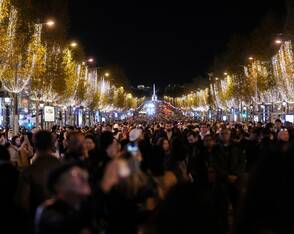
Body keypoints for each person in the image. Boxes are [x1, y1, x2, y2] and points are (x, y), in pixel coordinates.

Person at [35, 163, 93, 234]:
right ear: (58, 185)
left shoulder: (83, 205)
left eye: (84, 173)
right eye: (75, 174)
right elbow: (69, 225)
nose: (84, 177)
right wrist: (104, 187)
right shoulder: (48, 211)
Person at [17, 130, 61, 223]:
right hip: (59, 217)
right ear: (52, 143)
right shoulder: (61, 166)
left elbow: (23, 202)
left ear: (34, 143)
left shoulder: (29, 171)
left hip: (36, 217)